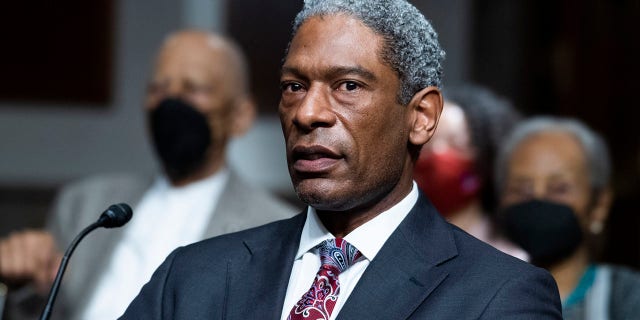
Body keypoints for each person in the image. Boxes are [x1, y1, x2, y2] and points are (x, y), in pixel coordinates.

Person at [121, 1, 562, 319]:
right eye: (294, 86)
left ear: (421, 117)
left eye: (347, 86)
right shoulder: (193, 275)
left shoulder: (500, 296)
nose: (308, 113)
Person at [0, 30, 297, 320]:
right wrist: (24, 285)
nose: (172, 101)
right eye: (158, 89)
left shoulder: (275, 227)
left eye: (193, 89)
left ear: (240, 115)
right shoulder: (85, 205)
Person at [495, 116, 640, 319]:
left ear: (599, 204)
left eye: (559, 189)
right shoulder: (486, 296)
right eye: (521, 190)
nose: (538, 201)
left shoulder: (627, 298)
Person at [414, 84, 527, 260]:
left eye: (457, 143)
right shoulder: (393, 242)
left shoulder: (510, 256)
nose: (438, 154)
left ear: (488, 155)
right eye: (427, 143)